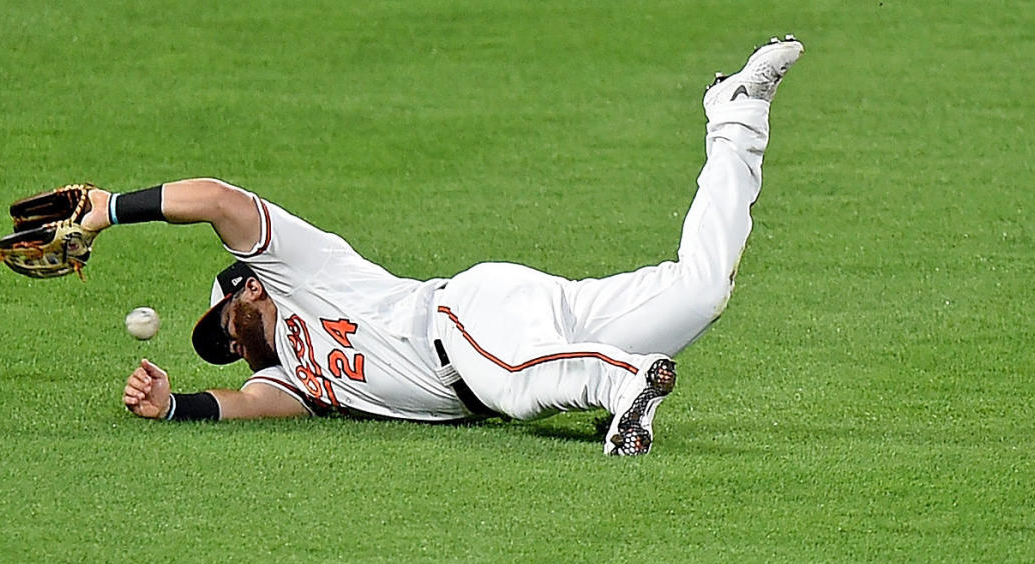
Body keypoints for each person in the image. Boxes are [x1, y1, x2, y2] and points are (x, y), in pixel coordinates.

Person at [97, 36, 804, 455]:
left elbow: (218, 200)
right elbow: (245, 405)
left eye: (224, 327)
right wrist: (172, 405)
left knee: (517, 386)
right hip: (522, 324)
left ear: (250, 288)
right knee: (701, 290)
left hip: (464, 320)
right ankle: (736, 116)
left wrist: (110, 210)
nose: (232, 344)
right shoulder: (297, 382)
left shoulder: (300, 270)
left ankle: (625, 385)